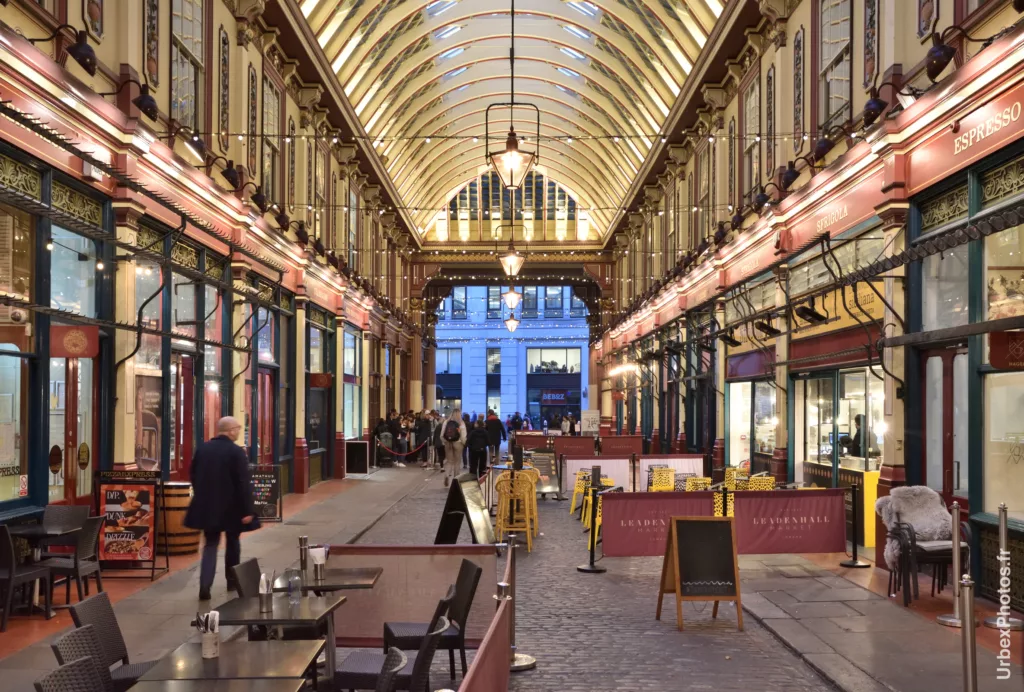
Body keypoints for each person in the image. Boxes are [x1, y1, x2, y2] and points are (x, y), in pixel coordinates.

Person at [185, 416, 256, 601]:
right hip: (232, 508)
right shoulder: (236, 452)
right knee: (233, 543)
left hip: (209, 507)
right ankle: (232, 581)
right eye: (238, 428)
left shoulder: (203, 449)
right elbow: (243, 483)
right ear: (231, 430)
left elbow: (193, 475)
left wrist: (203, 496)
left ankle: (204, 586)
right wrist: (248, 510)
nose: (239, 431)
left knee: (210, 544)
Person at [441, 408, 467, 486]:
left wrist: (445, 442)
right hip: (458, 443)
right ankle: (455, 481)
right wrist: (464, 443)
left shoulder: (446, 422)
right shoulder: (461, 423)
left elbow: (442, 435)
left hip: (448, 443)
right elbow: (463, 436)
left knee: (449, 461)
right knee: (457, 462)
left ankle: (446, 475)